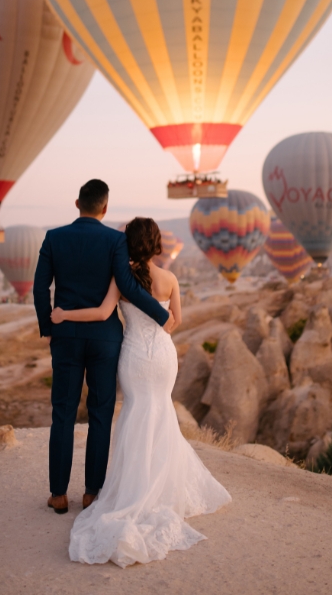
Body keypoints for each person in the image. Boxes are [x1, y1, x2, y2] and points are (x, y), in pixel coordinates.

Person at [53, 217, 231, 567]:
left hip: (134, 356)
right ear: (156, 245)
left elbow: (103, 312)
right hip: (163, 357)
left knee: (136, 413)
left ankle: (133, 489)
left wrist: (63, 314)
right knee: (161, 413)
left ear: (128, 245)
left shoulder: (122, 278)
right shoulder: (171, 279)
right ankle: (161, 487)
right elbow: (175, 322)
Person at [35, 179, 172, 515]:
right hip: (105, 340)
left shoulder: (54, 237)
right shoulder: (115, 240)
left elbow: (40, 289)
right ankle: (92, 493)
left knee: (63, 415)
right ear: (105, 208)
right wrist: (160, 315)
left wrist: (48, 327)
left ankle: (58, 494)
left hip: (66, 337)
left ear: (77, 203)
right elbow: (127, 284)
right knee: (99, 415)